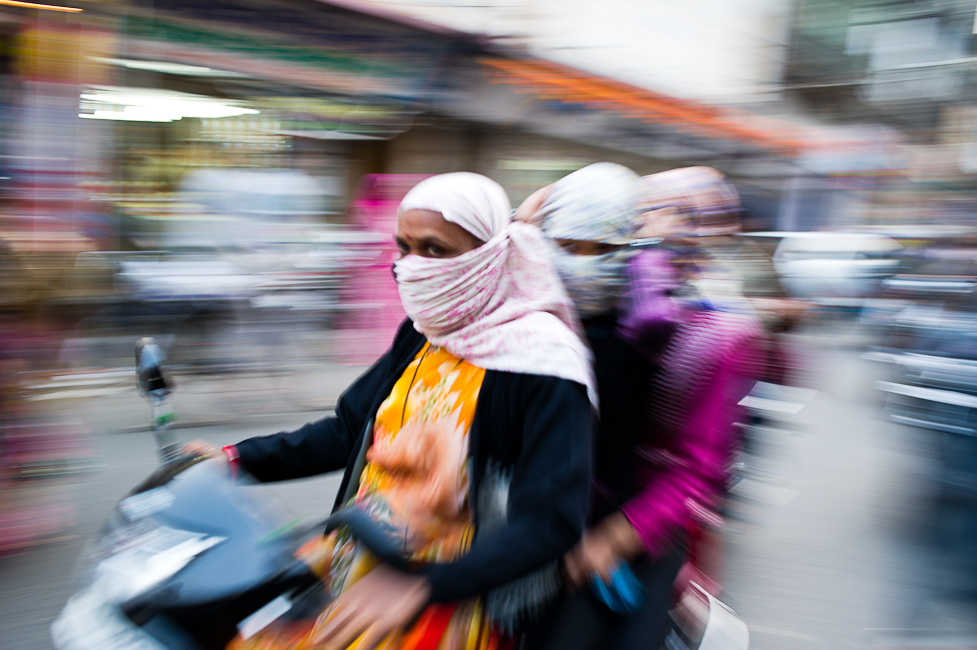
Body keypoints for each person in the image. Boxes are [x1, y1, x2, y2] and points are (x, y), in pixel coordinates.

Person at [188, 172, 595, 650]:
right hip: (355, 559)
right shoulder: (424, 332)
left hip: (451, 596)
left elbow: (550, 521)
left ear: (488, 254)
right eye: (404, 248)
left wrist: (424, 587)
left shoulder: (543, 362)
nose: (412, 267)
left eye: (435, 249)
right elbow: (346, 431)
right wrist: (236, 461)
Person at [518, 163, 761, 650]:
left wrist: (612, 540)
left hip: (637, 532)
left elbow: (697, 470)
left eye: (687, 218)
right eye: (570, 245)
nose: (673, 229)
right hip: (543, 520)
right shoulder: (555, 310)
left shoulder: (713, 336)